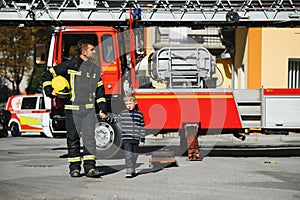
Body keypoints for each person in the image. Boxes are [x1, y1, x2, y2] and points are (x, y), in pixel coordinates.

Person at [41, 39, 107, 178]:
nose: (94, 52)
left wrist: (102, 108)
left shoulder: (94, 69)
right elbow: (47, 75)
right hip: (72, 109)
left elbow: (100, 90)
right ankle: (74, 169)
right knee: (73, 138)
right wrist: (50, 91)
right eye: (92, 50)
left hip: (89, 109)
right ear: (84, 52)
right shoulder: (69, 65)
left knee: (90, 139)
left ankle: (90, 168)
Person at [105, 93, 145, 178]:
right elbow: (115, 120)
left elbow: (142, 127)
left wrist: (142, 139)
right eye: (126, 104)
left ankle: (133, 168)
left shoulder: (139, 114)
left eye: (130, 104)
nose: (128, 106)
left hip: (136, 139)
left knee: (135, 155)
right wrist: (106, 118)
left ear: (135, 103)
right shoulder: (123, 113)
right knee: (128, 155)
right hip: (127, 139)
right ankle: (129, 170)